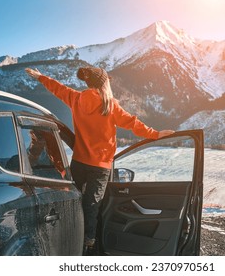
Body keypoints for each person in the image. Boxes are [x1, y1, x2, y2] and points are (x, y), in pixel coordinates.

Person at [25, 66, 174, 254]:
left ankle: (70, 236)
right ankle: (89, 243)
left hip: (79, 161)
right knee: (92, 205)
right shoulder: (110, 106)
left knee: (74, 201)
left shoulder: (76, 98)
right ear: (104, 84)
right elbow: (133, 123)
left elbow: (57, 88)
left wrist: (40, 76)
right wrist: (156, 134)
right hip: (100, 166)